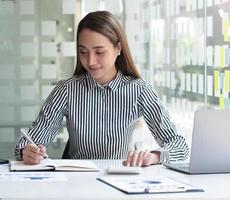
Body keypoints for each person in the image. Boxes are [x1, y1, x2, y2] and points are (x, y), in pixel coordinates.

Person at [15, 11, 189, 167]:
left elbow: (179, 146)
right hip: (77, 183)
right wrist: (27, 152)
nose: (90, 61)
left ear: (118, 48)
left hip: (123, 179)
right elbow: (30, 142)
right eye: (83, 52)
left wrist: (154, 156)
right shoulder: (66, 90)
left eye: (99, 52)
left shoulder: (139, 90)